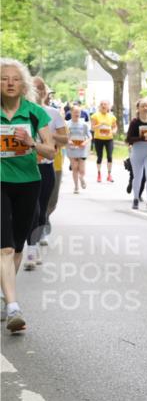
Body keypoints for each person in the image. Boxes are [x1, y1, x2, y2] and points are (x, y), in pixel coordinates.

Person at [1, 58, 56, 333]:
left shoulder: (35, 113)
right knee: (5, 246)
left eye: (14, 78)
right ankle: (13, 307)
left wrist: (31, 143)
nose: (9, 83)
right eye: (3, 78)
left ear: (23, 84)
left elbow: (51, 151)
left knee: (19, 247)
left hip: (28, 182)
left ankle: (4, 293)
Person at [25, 77, 67, 268]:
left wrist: (47, 136)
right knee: (29, 209)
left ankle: (34, 245)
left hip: (46, 165)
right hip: (23, 166)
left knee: (42, 208)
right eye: (35, 87)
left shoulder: (52, 113)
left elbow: (65, 139)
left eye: (41, 88)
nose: (38, 91)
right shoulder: (20, 110)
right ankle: (30, 249)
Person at [125, 99, 147, 210]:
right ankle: (135, 198)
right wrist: (141, 137)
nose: (145, 108)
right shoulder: (135, 122)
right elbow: (128, 139)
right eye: (142, 106)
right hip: (137, 151)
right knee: (138, 176)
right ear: (138, 109)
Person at [65, 105, 91, 193]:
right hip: (71, 148)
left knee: (82, 169)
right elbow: (64, 136)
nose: (77, 114)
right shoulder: (67, 124)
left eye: (78, 112)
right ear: (71, 113)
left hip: (81, 148)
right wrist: (68, 141)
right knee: (75, 167)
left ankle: (81, 178)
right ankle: (76, 187)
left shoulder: (84, 124)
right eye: (75, 112)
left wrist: (85, 142)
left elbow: (89, 137)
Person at [90, 99, 117, 182]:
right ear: (99, 106)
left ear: (108, 106)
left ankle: (109, 175)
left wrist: (114, 131)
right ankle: (99, 174)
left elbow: (115, 127)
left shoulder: (112, 117)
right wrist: (100, 125)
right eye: (102, 104)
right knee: (99, 157)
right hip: (98, 138)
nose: (103, 106)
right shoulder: (95, 116)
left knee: (109, 156)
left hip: (109, 139)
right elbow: (92, 128)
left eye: (105, 104)